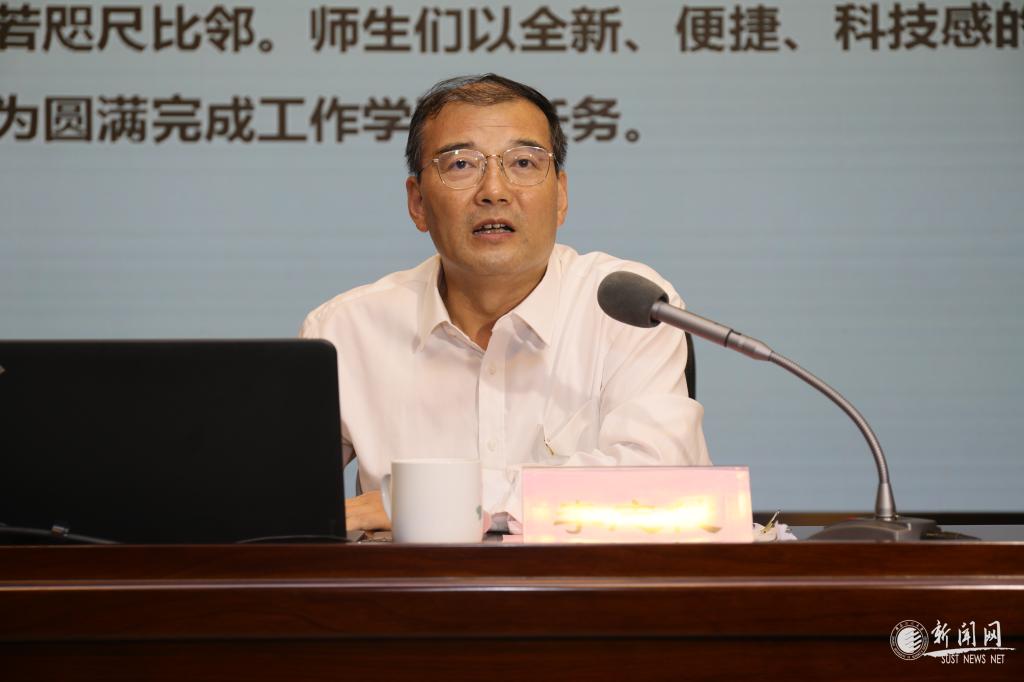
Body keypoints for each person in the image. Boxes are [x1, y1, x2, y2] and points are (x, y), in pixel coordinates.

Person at [301, 74, 711, 532]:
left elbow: (662, 483)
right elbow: (278, 502)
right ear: (417, 203)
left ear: (561, 196)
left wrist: (434, 502)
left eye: (523, 162)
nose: (494, 190)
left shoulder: (628, 308)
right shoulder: (345, 330)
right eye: (461, 164)